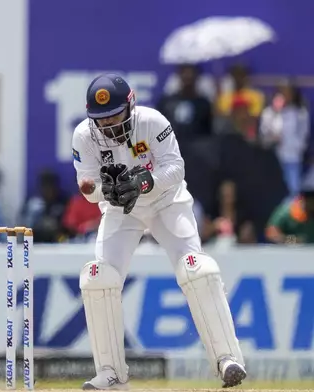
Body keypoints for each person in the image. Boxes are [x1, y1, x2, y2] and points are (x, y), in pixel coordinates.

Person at [71, 74, 246, 389]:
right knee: (99, 277)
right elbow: (88, 186)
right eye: (101, 119)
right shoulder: (84, 136)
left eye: (114, 115)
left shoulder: (152, 122)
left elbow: (176, 168)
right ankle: (110, 374)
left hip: (167, 202)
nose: (109, 124)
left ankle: (226, 359)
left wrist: (142, 182)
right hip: (122, 211)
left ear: (131, 105)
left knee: (197, 269)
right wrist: (104, 191)